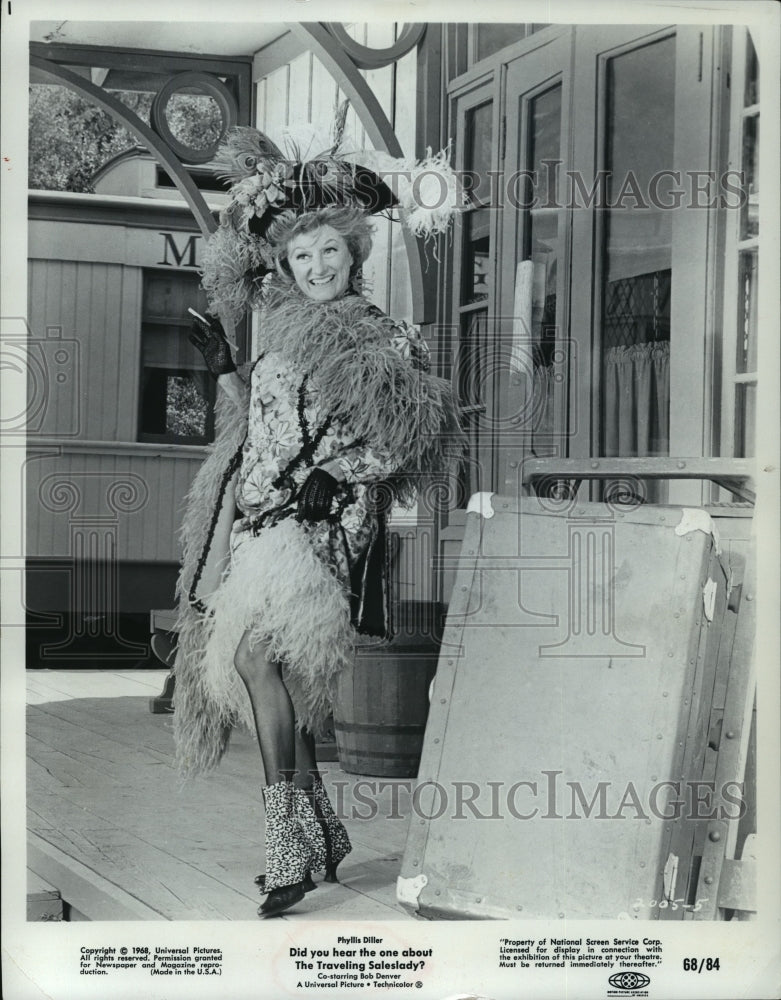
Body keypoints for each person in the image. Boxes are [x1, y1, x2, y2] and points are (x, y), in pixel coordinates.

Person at [171, 125, 463, 919]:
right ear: (288, 266)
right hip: (262, 524)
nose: (317, 267)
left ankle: (284, 847)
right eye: (302, 258)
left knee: (255, 655)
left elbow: (413, 439)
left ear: (353, 252)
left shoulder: (384, 337)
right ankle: (323, 825)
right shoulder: (279, 338)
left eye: (329, 252)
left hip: (330, 530)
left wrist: (341, 474)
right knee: (273, 676)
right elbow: (257, 429)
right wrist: (225, 370)